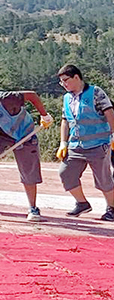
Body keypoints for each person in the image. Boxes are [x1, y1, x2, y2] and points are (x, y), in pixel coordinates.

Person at [56, 65, 114, 221]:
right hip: (75, 145)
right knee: (65, 173)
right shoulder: (67, 98)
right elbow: (65, 120)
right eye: (61, 82)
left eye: (65, 80)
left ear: (76, 77)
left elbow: (109, 112)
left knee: (103, 178)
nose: (64, 84)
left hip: (98, 144)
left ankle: (110, 209)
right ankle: (82, 203)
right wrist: (63, 142)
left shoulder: (96, 92)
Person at [0, 88, 53, 221]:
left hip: (25, 134)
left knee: (28, 170)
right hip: (2, 135)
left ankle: (33, 208)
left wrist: (44, 115)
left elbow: (31, 95)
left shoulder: (7, 98)